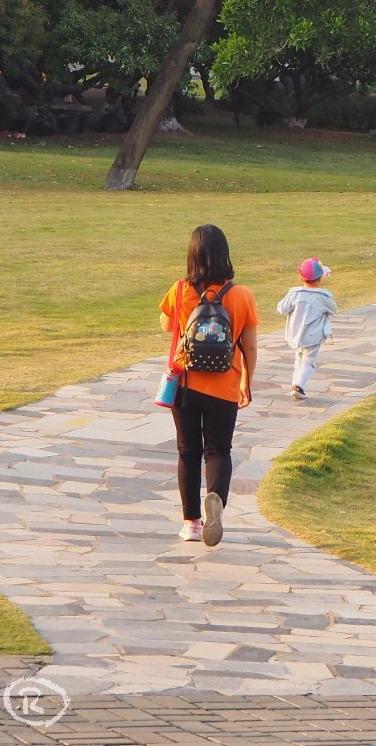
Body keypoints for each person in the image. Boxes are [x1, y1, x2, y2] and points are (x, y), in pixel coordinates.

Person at [158, 224, 259, 546]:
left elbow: (166, 325)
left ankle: (192, 523)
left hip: (185, 385)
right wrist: (246, 381)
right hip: (225, 384)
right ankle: (215, 498)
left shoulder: (180, 289)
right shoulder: (241, 294)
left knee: (188, 451)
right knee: (218, 450)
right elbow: (251, 346)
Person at [277, 258, 337, 400]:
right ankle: (298, 385)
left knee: (299, 357)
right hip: (313, 335)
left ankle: (295, 384)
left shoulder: (294, 294)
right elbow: (333, 309)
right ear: (320, 279)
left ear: (300, 276)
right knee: (308, 361)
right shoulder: (324, 297)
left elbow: (281, 308)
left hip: (297, 334)